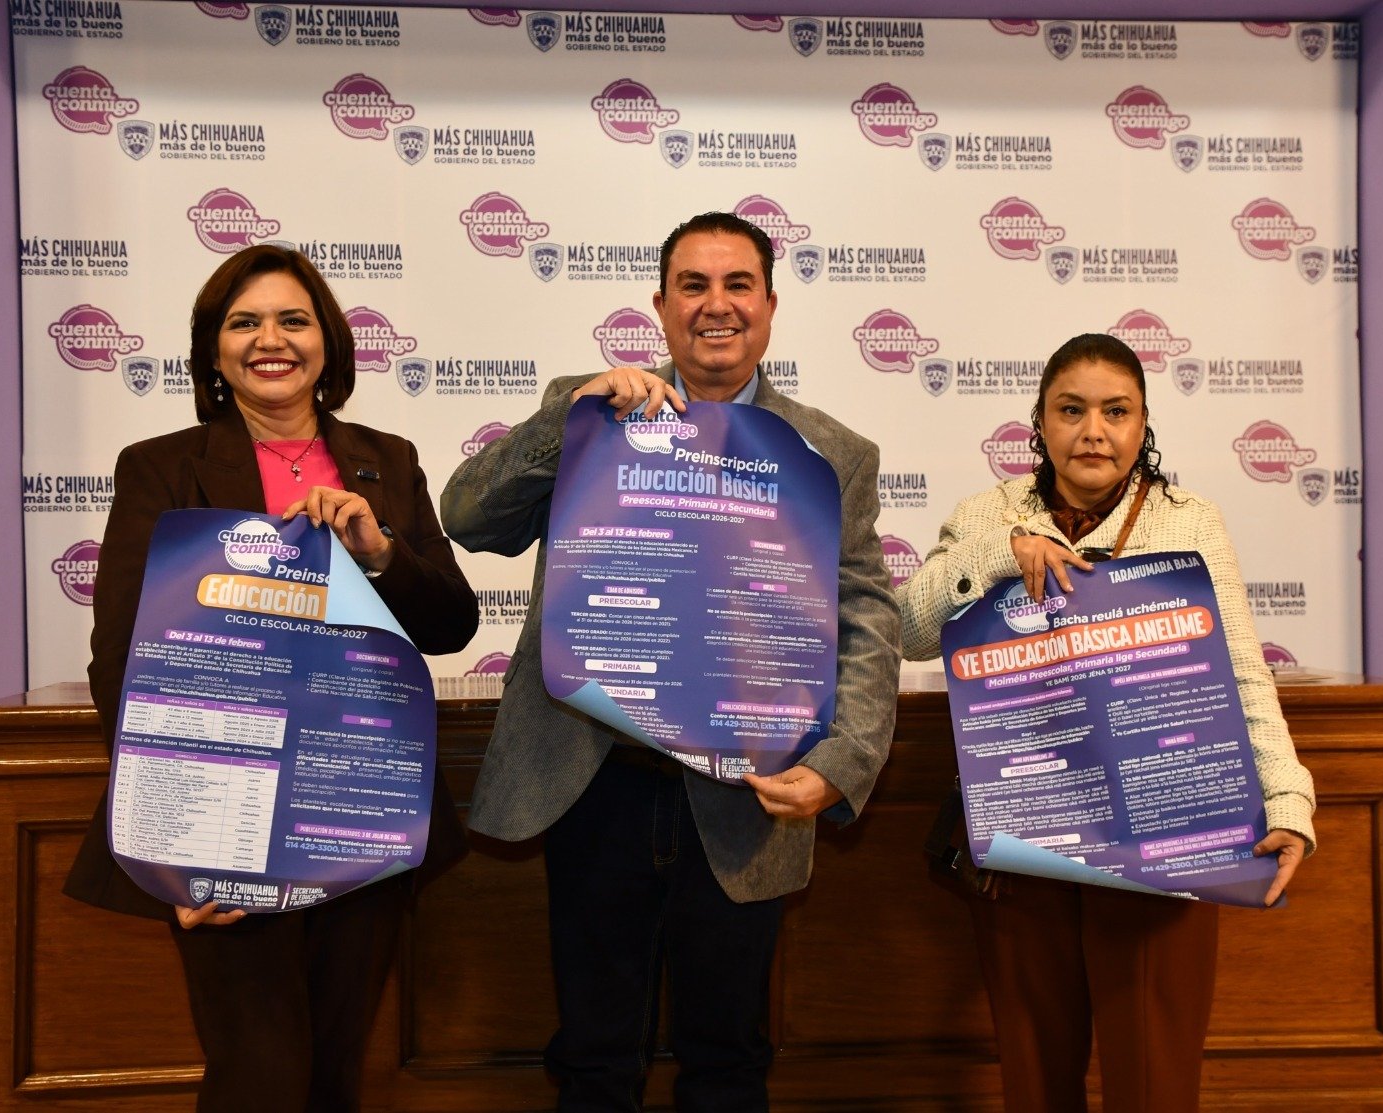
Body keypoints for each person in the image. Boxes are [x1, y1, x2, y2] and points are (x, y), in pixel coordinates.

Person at [440, 211, 901, 1112]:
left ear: (770, 305)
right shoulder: (592, 410)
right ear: (660, 305)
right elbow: (467, 517)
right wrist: (570, 419)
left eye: (738, 285)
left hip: (748, 795)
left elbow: (867, 615)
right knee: (594, 1059)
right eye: (694, 285)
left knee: (728, 1062)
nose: (715, 305)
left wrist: (841, 761)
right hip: (594, 779)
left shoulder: (831, 454)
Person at [63, 244, 479, 1111]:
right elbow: (124, 656)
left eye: (293, 319)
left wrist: (380, 551)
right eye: (243, 322)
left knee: (333, 1074)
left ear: (328, 342)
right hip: (222, 817)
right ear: (213, 352)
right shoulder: (161, 466)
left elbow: (450, 624)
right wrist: (172, 852)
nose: (270, 339)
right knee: (259, 1074)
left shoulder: (387, 459)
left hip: (360, 807)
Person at [896, 333, 1316, 1113]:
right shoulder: (987, 514)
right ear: (1041, 422)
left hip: (1162, 831)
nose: (1094, 430)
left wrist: (1288, 801)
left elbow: (1243, 672)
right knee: (1036, 1078)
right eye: (1072, 410)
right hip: (1027, 835)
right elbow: (909, 628)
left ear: (1142, 423)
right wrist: (1001, 552)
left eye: (1115, 411)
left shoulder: (1191, 520)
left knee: (1154, 1081)